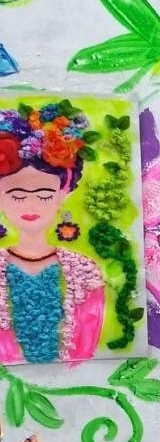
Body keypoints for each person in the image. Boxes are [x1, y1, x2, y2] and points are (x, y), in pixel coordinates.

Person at [0, 103, 105, 364]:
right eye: (17, 195)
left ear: (62, 193)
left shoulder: (84, 271)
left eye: (44, 195)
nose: (30, 205)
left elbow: (86, 345)